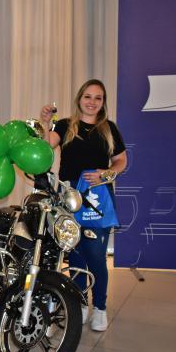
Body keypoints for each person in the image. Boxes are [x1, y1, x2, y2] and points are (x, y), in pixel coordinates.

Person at [40, 79, 127, 332]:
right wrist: (45, 123)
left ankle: (100, 307)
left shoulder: (109, 129)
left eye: (98, 98)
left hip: (98, 200)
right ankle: (80, 304)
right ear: (79, 98)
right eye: (88, 96)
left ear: (103, 102)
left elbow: (121, 160)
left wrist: (106, 174)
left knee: (96, 256)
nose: (92, 102)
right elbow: (45, 148)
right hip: (69, 198)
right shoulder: (65, 125)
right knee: (75, 253)